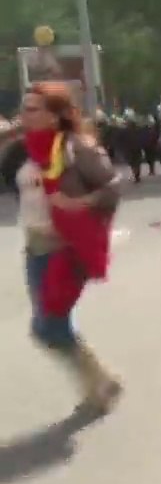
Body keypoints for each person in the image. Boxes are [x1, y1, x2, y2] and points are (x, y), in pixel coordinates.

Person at [15, 82, 123, 414]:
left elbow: (112, 186)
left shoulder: (77, 147)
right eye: (23, 107)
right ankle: (99, 385)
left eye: (32, 109)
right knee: (54, 324)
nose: (24, 115)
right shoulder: (28, 147)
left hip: (64, 249)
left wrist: (81, 202)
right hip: (34, 246)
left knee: (47, 326)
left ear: (55, 115)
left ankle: (100, 380)